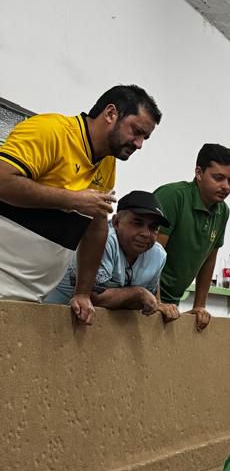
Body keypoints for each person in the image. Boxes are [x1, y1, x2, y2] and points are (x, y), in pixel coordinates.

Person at [0, 84, 161, 321]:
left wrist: (83, 293)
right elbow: (2, 180)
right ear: (110, 114)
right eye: (136, 131)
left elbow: (96, 228)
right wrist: (72, 199)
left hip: (31, 295)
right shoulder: (50, 130)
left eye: (144, 137)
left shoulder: (106, 164)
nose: (139, 144)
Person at [45, 190, 177, 321]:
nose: (146, 233)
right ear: (116, 222)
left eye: (153, 228)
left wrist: (159, 305)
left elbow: (152, 301)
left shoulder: (157, 255)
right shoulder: (102, 241)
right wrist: (138, 294)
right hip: (51, 317)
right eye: (137, 223)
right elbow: (93, 298)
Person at [154, 144, 230, 332]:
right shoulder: (172, 197)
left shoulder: (222, 211)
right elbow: (151, 254)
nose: (226, 186)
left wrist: (199, 305)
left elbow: (209, 259)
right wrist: (156, 301)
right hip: (143, 295)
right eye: (219, 178)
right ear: (199, 173)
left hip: (173, 300)